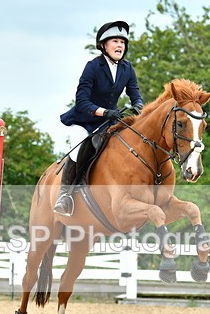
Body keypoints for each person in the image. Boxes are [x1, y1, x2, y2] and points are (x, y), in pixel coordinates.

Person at [54, 20, 145, 216]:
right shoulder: (93, 67)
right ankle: (65, 195)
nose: (120, 45)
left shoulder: (127, 69)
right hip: (84, 120)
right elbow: (82, 101)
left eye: (123, 42)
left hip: (110, 122)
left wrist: (138, 106)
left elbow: (135, 94)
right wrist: (104, 112)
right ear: (103, 45)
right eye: (115, 41)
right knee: (80, 146)